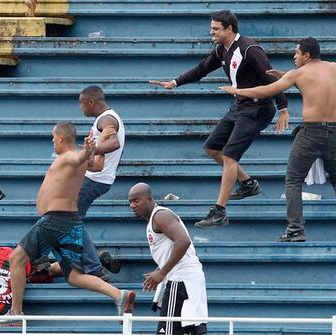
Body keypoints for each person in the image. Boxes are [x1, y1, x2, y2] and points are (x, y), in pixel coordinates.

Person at [149, 10, 289, 228]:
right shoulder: (222, 50)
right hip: (239, 106)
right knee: (213, 149)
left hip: (257, 108)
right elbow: (201, 69)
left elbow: (270, 76)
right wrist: (175, 83)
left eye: (215, 29)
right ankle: (248, 184)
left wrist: (283, 108)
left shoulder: (250, 49)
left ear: (229, 29)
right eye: (211, 28)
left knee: (230, 156)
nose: (211, 32)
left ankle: (219, 212)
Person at [0, 122, 135, 326]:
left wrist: (88, 148)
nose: (52, 141)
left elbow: (79, 156)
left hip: (55, 221)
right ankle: (118, 295)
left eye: (53, 137)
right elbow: (98, 164)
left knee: (16, 259)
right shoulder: (79, 160)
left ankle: (15, 313)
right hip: (71, 222)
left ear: (60, 138)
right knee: (74, 276)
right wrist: (98, 144)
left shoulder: (69, 156)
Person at [220, 37, 336, 242]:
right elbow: (317, 84)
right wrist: (286, 76)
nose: (294, 56)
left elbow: (266, 90)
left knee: (293, 180)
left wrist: (238, 91)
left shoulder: (299, 73)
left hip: (311, 133)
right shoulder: (332, 68)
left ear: (306, 55)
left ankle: (295, 229)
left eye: (297, 53)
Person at [128, 183, 208, 335]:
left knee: (168, 332)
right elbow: (174, 248)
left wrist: (162, 272)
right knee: (191, 331)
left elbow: (183, 241)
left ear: (149, 199)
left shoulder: (160, 216)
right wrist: (160, 270)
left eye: (136, 201)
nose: (132, 205)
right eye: (130, 202)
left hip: (181, 280)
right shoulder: (155, 218)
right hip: (185, 279)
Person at [77, 85, 125, 276]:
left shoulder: (106, 119)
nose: (81, 108)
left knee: (70, 220)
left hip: (94, 179)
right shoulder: (105, 119)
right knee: (69, 220)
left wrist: (90, 151)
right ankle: (94, 260)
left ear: (91, 102)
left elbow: (114, 143)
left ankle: (94, 265)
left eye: (81, 104)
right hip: (97, 178)